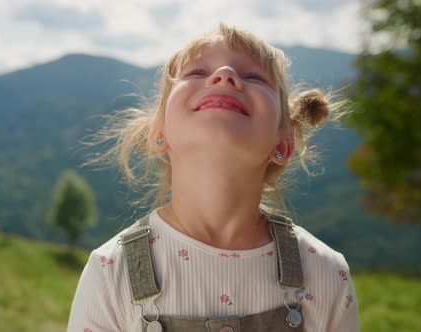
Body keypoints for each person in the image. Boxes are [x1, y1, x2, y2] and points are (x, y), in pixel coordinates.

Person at [67, 23, 359, 332]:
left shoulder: (327, 274)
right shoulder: (111, 272)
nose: (224, 74)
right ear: (159, 132)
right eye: (195, 73)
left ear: (283, 143)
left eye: (254, 76)